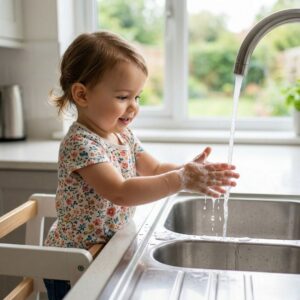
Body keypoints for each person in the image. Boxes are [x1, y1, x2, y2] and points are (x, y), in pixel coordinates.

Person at [43, 31, 239, 300]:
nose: (133, 107)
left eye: (138, 97)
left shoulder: (123, 135)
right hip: (75, 261)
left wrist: (188, 171)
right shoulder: (80, 144)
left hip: (105, 252)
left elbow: (156, 169)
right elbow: (120, 191)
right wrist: (180, 180)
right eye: (123, 97)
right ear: (82, 94)